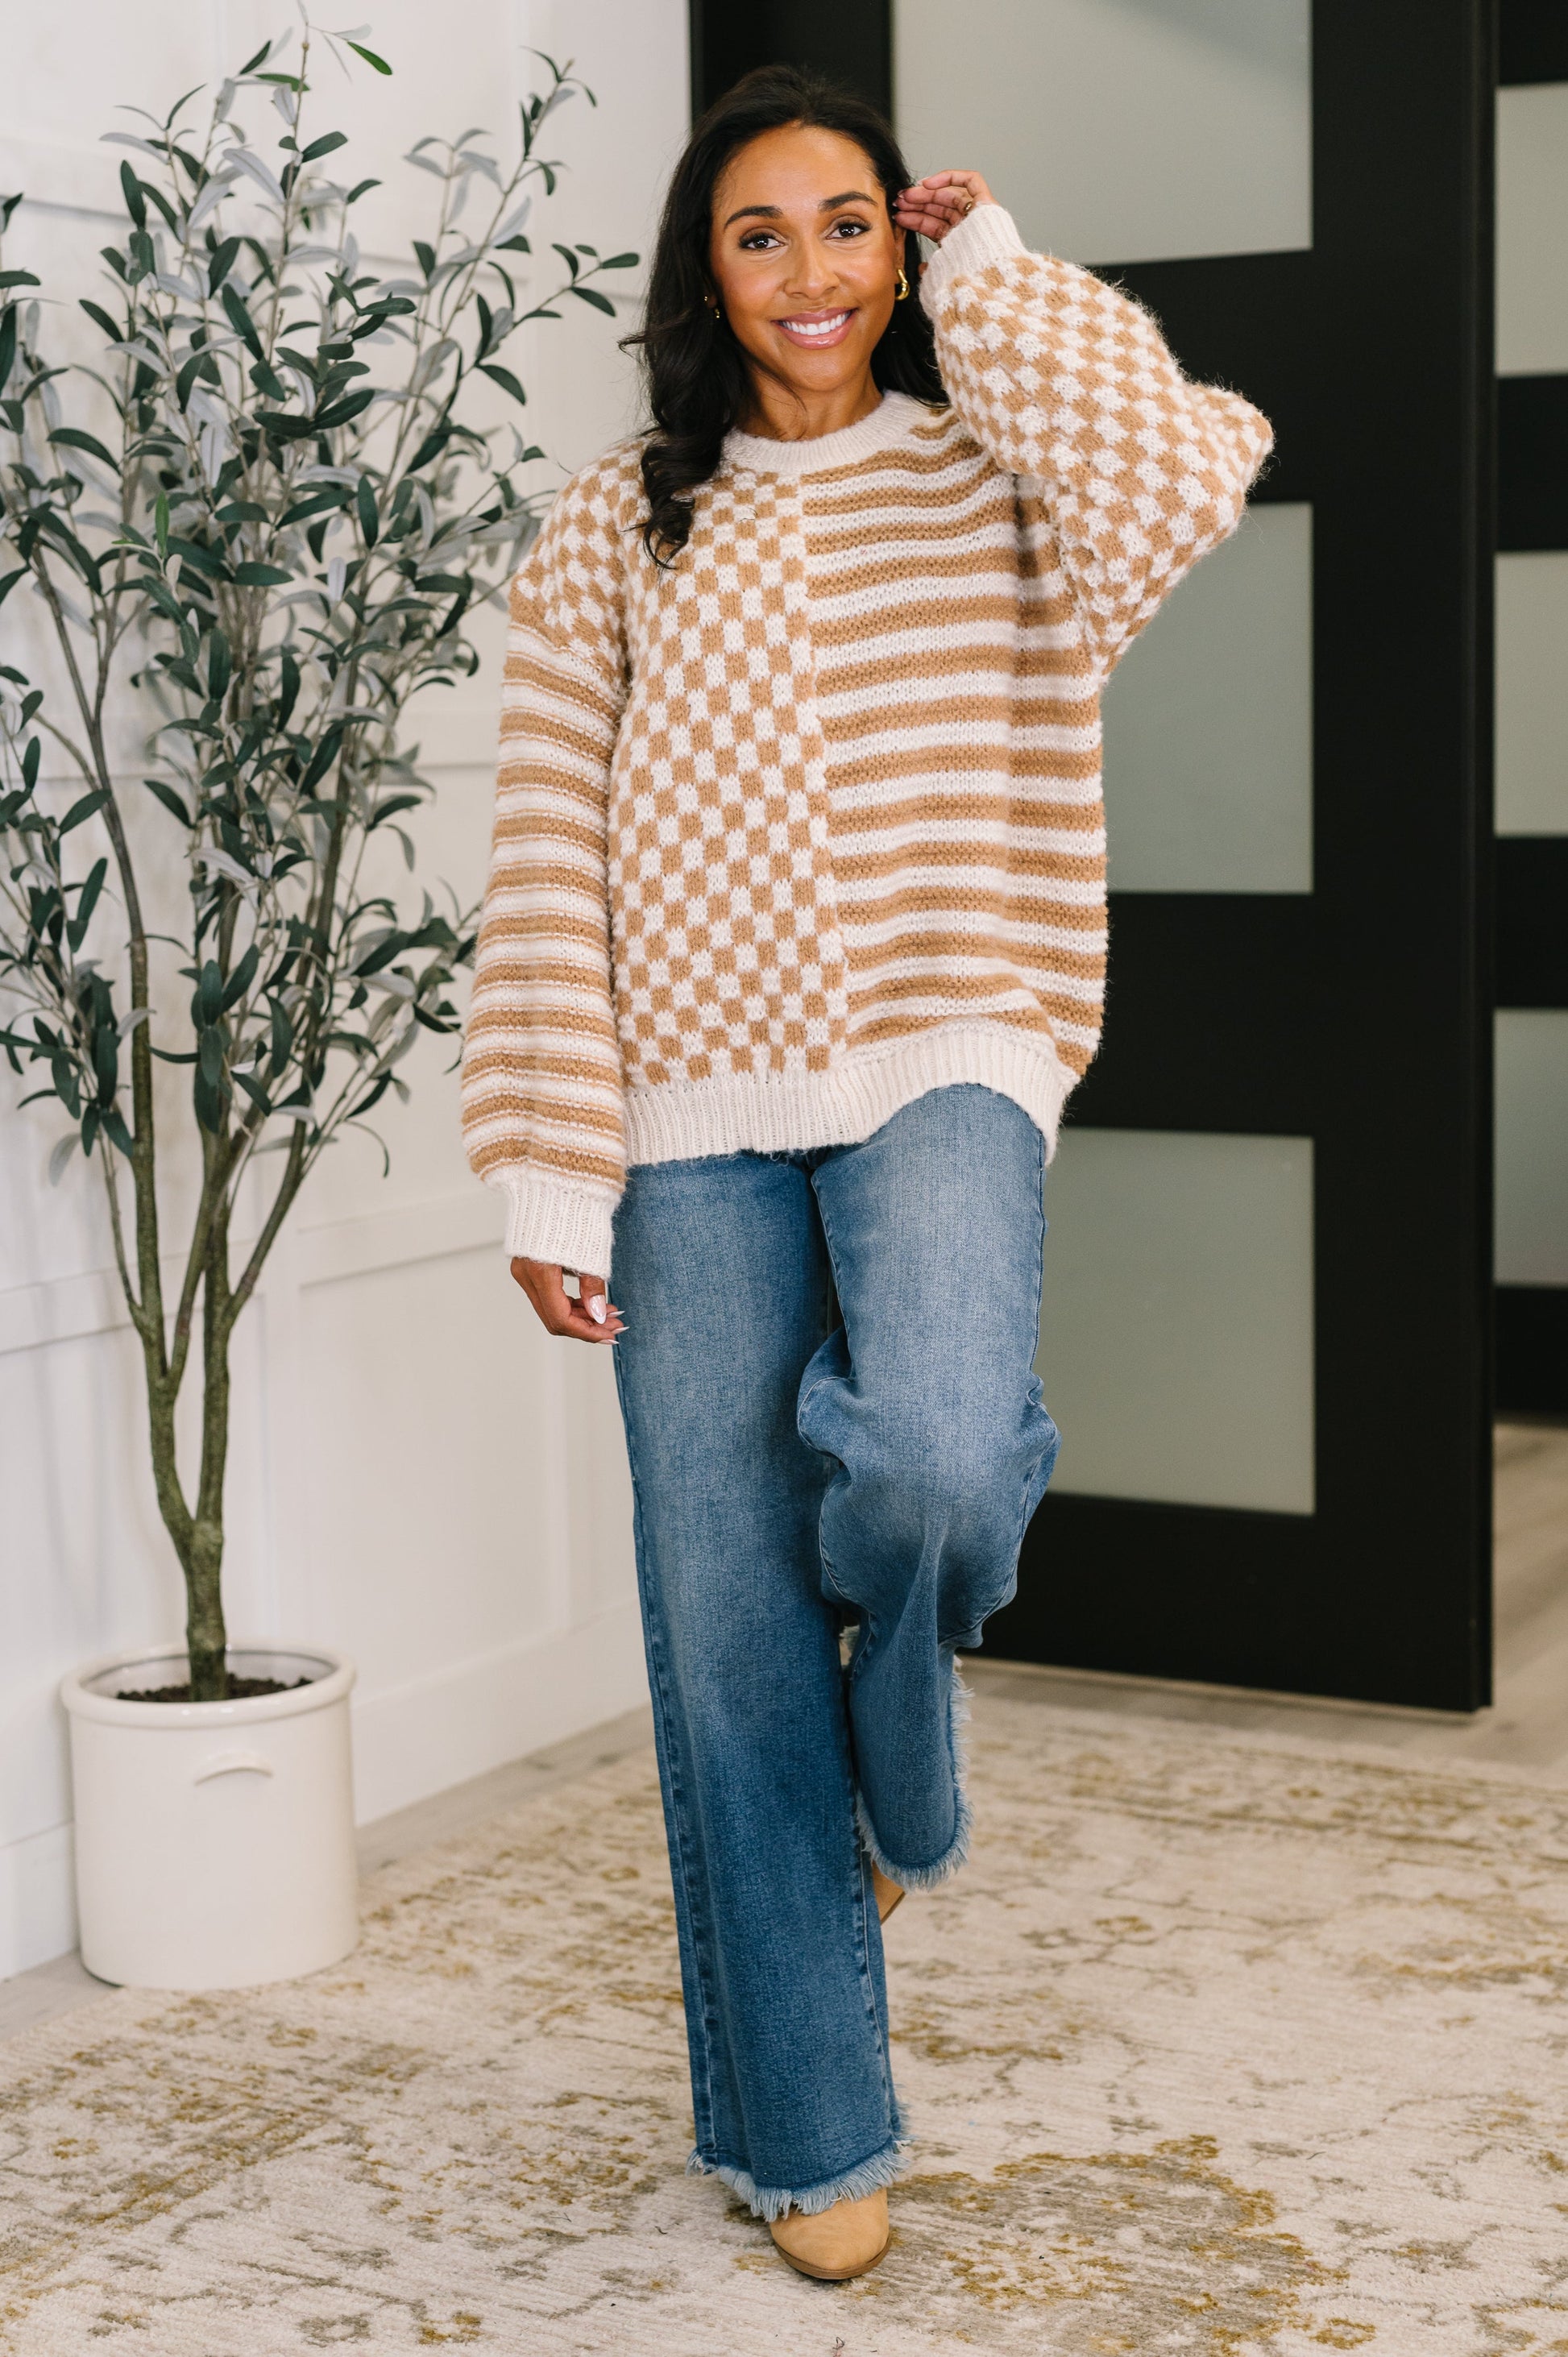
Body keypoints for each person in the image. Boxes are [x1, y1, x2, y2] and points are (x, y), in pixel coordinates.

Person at [461, 64, 1271, 2284]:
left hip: (946, 1051)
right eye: (756, 233)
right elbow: (541, 852)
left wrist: (1000, 275)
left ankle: (902, 1752)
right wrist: (547, 1169)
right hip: (677, 1114)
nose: (806, 273)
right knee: (725, 1631)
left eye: (845, 227)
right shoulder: (617, 518)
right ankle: (808, 2143)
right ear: (698, 275)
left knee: (926, 1459)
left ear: (891, 255)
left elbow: (1189, 466)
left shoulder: (997, 469)